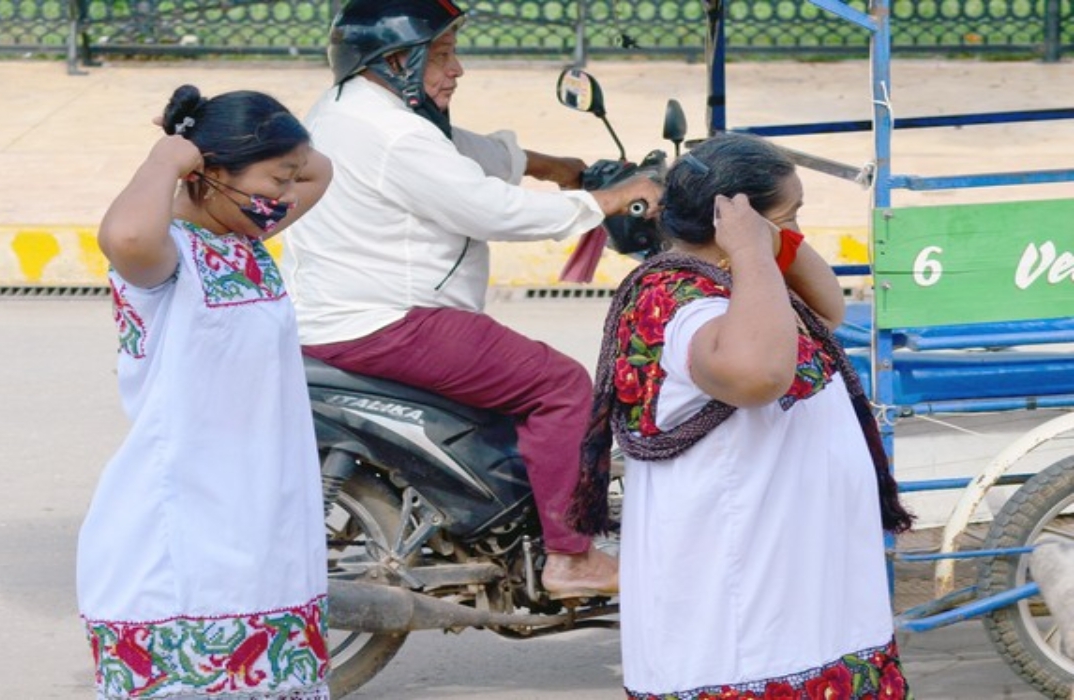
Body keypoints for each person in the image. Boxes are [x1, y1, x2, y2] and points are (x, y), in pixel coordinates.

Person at [281, 0, 661, 601]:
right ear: (397, 60)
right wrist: (610, 201)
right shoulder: (395, 134)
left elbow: (454, 150)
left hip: (343, 309)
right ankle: (571, 558)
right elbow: (490, 208)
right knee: (559, 386)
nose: (456, 70)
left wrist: (554, 166)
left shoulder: (352, 107)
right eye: (441, 55)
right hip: (389, 320)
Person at [571, 132, 915, 698]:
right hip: (741, 616)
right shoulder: (676, 299)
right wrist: (755, 247)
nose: (796, 234)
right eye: (789, 217)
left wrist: (766, 241)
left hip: (797, 592)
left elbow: (829, 309)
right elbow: (758, 375)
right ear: (740, 223)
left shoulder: (746, 285)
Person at [77, 84, 334, 699]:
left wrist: (285, 156)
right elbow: (127, 237)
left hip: (260, 515)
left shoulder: (242, 241)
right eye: (277, 179)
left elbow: (322, 171)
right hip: (183, 527)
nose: (287, 196)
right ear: (211, 176)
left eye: (288, 180)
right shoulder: (167, 261)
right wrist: (167, 158)